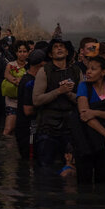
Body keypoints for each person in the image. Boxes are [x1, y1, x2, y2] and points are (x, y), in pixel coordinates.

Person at [73, 56, 105, 184]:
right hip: (86, 139)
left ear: (103, 72)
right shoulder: (83, 87)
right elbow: (85, 115)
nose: (88, 72)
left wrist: (96, 112)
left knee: (104, 180)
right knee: (84, 180)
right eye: (88, 69)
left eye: (93, 69)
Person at [32, 39, 80, 173]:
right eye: (56, 47)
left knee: (72, 167)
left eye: (62, 47)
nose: (59, 49)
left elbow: (83, 100)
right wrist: (58, 91)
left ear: (67, 52)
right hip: (48, 126)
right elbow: (36, 100)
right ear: (50, 54)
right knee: (45, 169)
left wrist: (68, 93)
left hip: (71, 125)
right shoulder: (44, 71)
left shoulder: (76, 71)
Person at [17, 49, 47, 160]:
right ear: (41, 65)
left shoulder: (29, 79)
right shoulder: (29, 83)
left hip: (27, 128)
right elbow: (28, 110)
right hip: (28, 129)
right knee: (31, 161)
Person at [2, 41, 30, 137]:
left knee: (21, 129)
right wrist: (17, 81)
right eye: (20, 51)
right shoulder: (11, 65)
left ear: (28, 53)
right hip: (12, 101)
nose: (22, 54)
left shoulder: (30, 66)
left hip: (25, 101)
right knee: (8, 129)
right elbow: (7, 75)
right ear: (16, 53)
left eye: (24, 51)